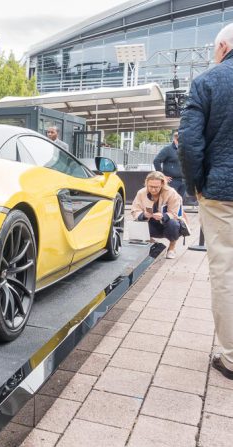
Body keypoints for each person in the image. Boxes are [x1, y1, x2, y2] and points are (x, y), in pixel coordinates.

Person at [178, 22, 233, 381]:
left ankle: (231, 358)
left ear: (223, 46)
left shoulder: (209, 81)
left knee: (226, 271)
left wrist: (197, 184)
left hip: (222, 193)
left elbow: (190, 141)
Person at [130, 171, 182, 259]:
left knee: (174, 224)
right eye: (151, 186)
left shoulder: (171, 193)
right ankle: (155, 244)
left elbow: (175, 213)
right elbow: (135, 210)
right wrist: (143, 215)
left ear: (162, 184)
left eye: (156, 187)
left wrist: (164, 216)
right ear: (146, 183)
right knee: (134, 226)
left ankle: (172, 248)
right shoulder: (141, 193)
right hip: (150, 223)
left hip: (167, 224)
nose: (153, 190)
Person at [153, 130, 186, 201]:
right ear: (174, 139)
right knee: (170, 201)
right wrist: (162, 176)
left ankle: (178, 212)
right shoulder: (167, 150)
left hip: (183, 180)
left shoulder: (184, 150)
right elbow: (156, 161)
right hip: (172, 181)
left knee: (180, 202)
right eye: (178, 140)